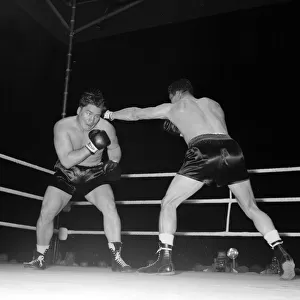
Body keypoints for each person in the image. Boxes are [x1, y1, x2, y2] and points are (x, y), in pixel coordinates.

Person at [103, 79, 295, 279]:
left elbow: (136, 113)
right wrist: (183, 130)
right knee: (251, 207)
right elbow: (213, 130)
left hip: (203, 149)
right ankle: (282, 254)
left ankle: (165, 261)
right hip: (231, 148)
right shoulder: (213, 104)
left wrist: (110, 114)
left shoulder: (174, 106)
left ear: (175, 94)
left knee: (168, 203)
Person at [24, 89, 131, 272]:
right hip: (67, 172)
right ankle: (40, 257)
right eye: (88, 113)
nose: (92, 120)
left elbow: (115, 149)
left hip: (94, 173)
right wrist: (91, 146)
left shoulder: (107, 128)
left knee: (110, 206)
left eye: (97, 116)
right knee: (47, 211)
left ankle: (117, 258)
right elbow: (66, 160)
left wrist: (113, 163)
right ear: (79, 110)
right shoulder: (62, 127)